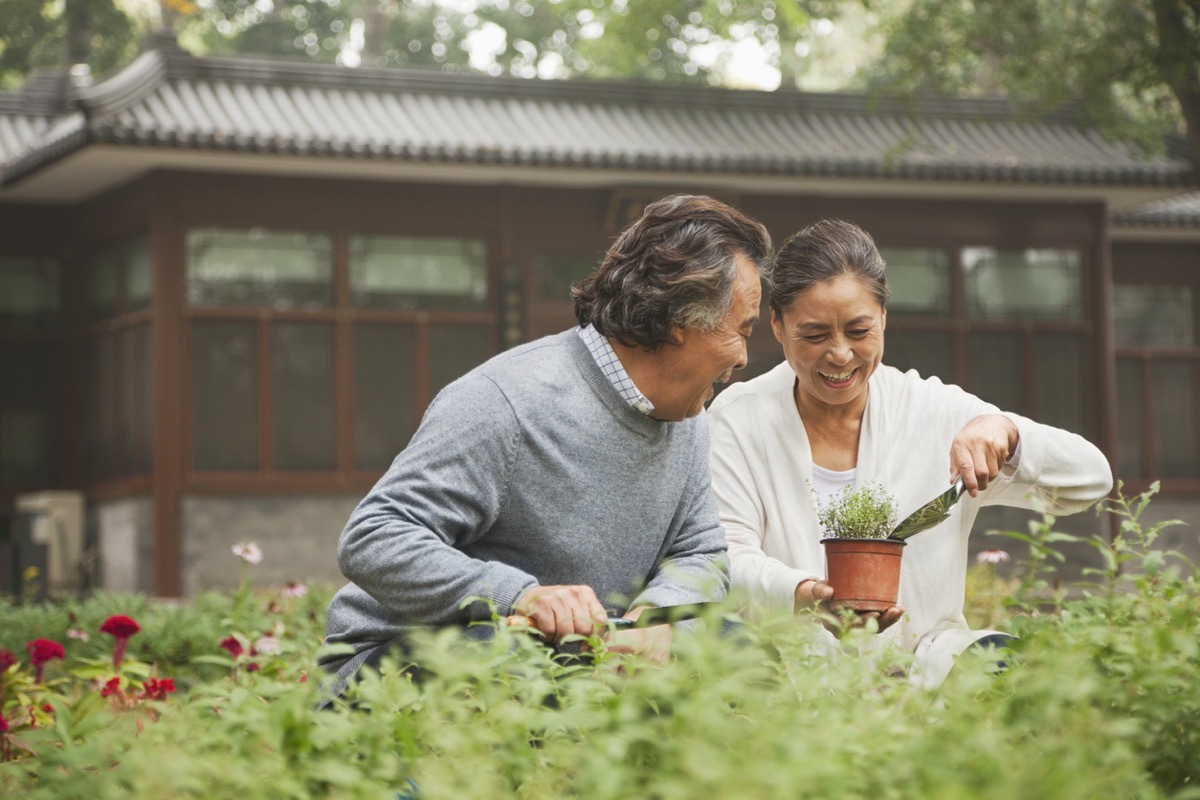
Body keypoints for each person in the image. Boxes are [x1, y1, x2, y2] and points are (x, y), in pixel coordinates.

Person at [319, 194, 772, 695]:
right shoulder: (507, 401)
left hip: (579, 659)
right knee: (522, 661)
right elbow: (373, 538)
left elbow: (701, 550)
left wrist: (658, 618)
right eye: (742, 331)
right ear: (679, 323)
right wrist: (521, 597)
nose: (744, 358)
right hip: (402, 661)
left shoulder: (687, 417)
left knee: (740, 652)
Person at [707, 218, 1113, 688]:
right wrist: (805, 595)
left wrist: (1009, 433)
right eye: (815, 335)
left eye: (859, 330)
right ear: (776, 325)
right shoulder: (740, 419)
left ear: (883, 317)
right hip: (788, 669)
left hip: (924, 669)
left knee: (1005, 664)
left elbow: (1092, 479)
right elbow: (724, 559)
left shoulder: (934, 413)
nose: (839, 355)